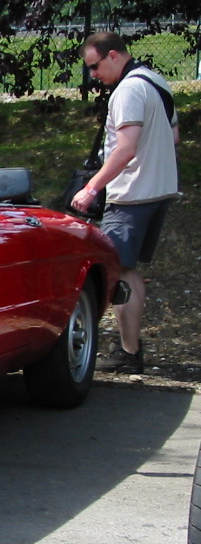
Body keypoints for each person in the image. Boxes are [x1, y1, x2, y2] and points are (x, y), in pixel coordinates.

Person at [72, 31, 179, 373]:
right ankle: (130, 349)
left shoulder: (129, 89)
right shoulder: (156, 81)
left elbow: (125, 148)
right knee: (128, 271)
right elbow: (174, 135)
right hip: (158, 189)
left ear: (114, 55)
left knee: (117, 272)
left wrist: (91, 188)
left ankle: (128, 354)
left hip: (132, 194)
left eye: (95, 66)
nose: (93, 75)